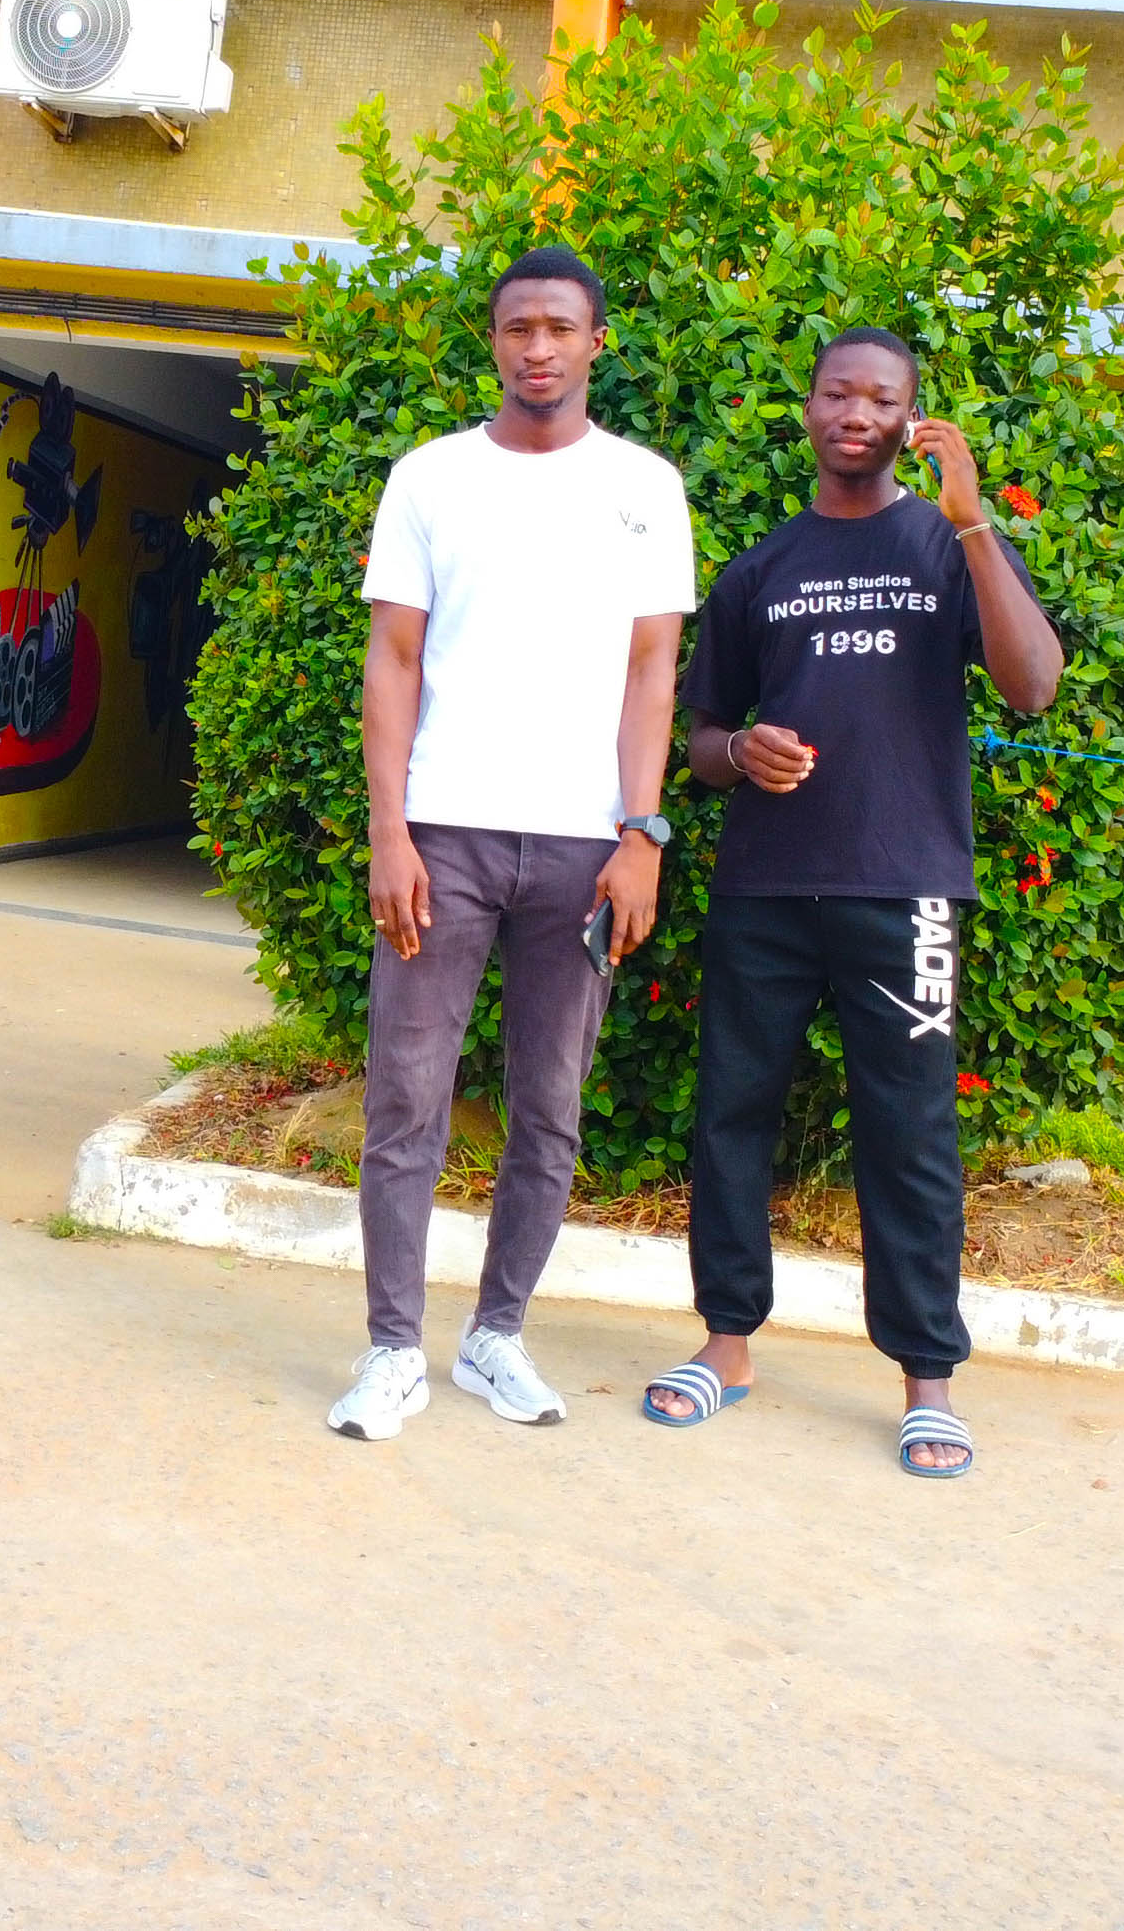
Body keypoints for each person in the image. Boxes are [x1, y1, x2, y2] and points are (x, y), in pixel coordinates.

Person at [643, 328, 1062, 1477]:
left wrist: (971, 520)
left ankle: (928, 1381)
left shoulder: (944, 545)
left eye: (882, 399)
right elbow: (701, 740)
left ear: (910, 419)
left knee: (909, 1132)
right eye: (839, 393)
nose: (856, 414)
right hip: (766, 887)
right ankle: (726, 1344)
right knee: (731, 1114)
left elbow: (1032, 684)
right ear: (811, 408)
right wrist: (742, 751)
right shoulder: (761, 568)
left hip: (906, 885)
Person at [330, 244, 696, 1441]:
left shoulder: (644, 487)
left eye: (559, 327)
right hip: (446, 835)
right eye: (517, 327)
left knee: (548, 1106)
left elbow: (652, 673)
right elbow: (393, 657)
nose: (537, 347)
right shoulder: (431, 478)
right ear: (493, 342)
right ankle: (393, 1350)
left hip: (585, 851)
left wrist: (640, 833)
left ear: (597, 343)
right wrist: (390, 829)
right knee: (405, 1100)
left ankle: (496, 1337)